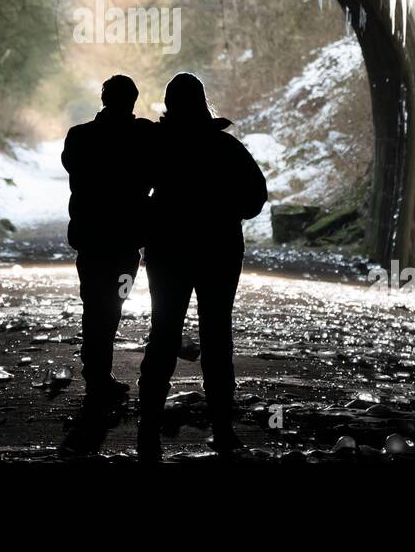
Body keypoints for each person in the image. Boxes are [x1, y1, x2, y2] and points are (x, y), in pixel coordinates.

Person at [137, 72, 267, 460]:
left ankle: (148, 430)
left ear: (169, 106)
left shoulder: (157, 145)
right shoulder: (226, 147)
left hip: (168, 251)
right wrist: (223, 209)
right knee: (216, 335)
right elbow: (255, 199)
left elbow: (130, 191)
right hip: (219, 250)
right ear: (203, 104)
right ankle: (224, 430)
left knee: (162, 332)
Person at [61, 74, 155, 403]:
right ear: (133, 100)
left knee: (94, 304)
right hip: (126, 242)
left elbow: (72, 165)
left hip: (90, 238)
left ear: (103, 98)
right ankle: (99, 373)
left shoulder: (80, 136)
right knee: (113, 305)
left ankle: (96, 373)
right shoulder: (143, 135)